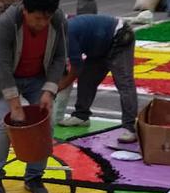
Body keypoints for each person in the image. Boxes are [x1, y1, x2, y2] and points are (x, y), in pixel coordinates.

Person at [0, 0, 67, 193]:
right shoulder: (7, 23)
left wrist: (49, 91)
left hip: (38, 78)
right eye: (37, 18)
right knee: (3, 124)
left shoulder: (58, 20)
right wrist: (14, 104)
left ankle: (34, 177)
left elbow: (60, 57)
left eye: (47, 18)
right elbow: (1, 65)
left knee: (45, 122)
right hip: (7, 78)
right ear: (25, 10)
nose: (43, 23)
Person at [55, 14, 139, 143]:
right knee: (86, 78)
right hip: (99, 45)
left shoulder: (66, 35)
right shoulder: (59, 35)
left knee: (124, 83)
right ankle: (81, 116)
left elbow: (76, 68)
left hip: (119, 37)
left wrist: (61, 86)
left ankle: (130, 127)